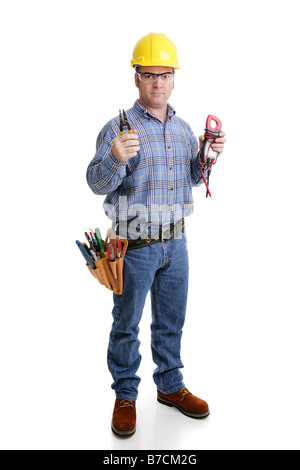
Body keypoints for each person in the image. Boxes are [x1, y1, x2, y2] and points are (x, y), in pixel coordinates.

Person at [86, 32, 226, 437]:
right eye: (149, 75)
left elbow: (192, 178)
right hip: (135, 247)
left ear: (174, 78)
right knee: (126, 324)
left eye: (165, 75)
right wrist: (113, 157)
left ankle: (170, 386)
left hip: (177, 244)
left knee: (171, 322)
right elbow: (95, 182)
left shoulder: (183, 130)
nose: (158, 83)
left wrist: (208, 157)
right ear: (136, 78)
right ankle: (126, 395)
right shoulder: (118, 128)